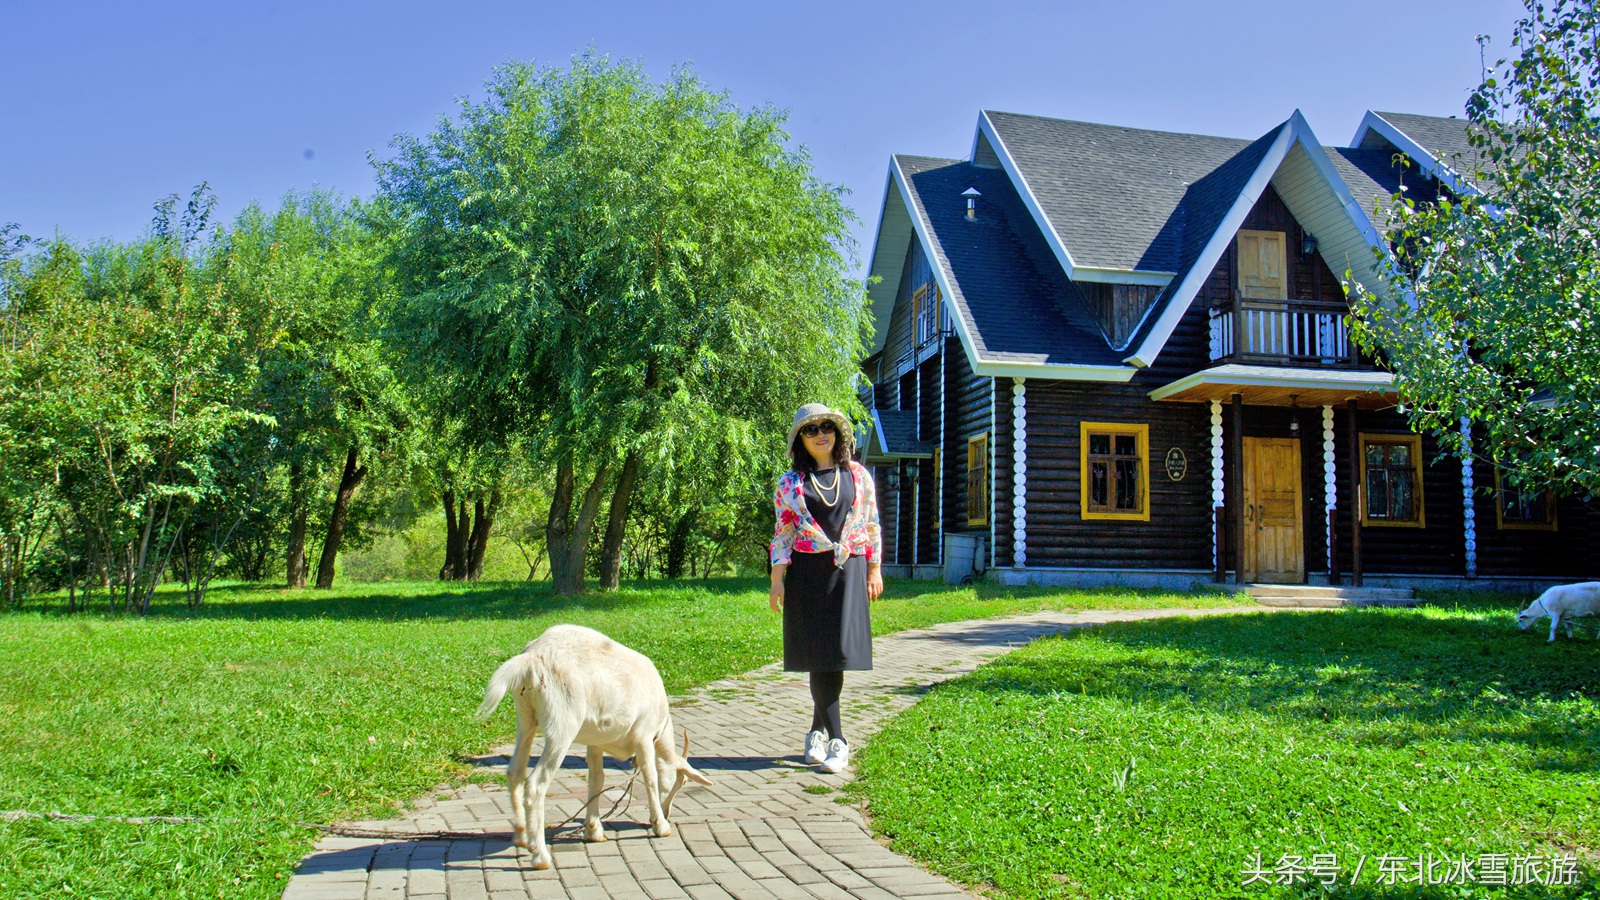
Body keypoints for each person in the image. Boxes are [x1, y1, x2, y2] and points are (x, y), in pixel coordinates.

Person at [768, 403, 883, 774]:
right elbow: (783, 532)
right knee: (820, 653)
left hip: (849, 569)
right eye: (811, 429)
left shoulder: (858, 475)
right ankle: (835, 738)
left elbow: (871, 524)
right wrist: (776, 580)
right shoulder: (790, 483)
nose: (821, 433)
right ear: (801, 439)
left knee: (837, 653)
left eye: (827, 427)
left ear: (838, 434)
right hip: (807, 573)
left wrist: (874, 568)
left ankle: (825, 735)